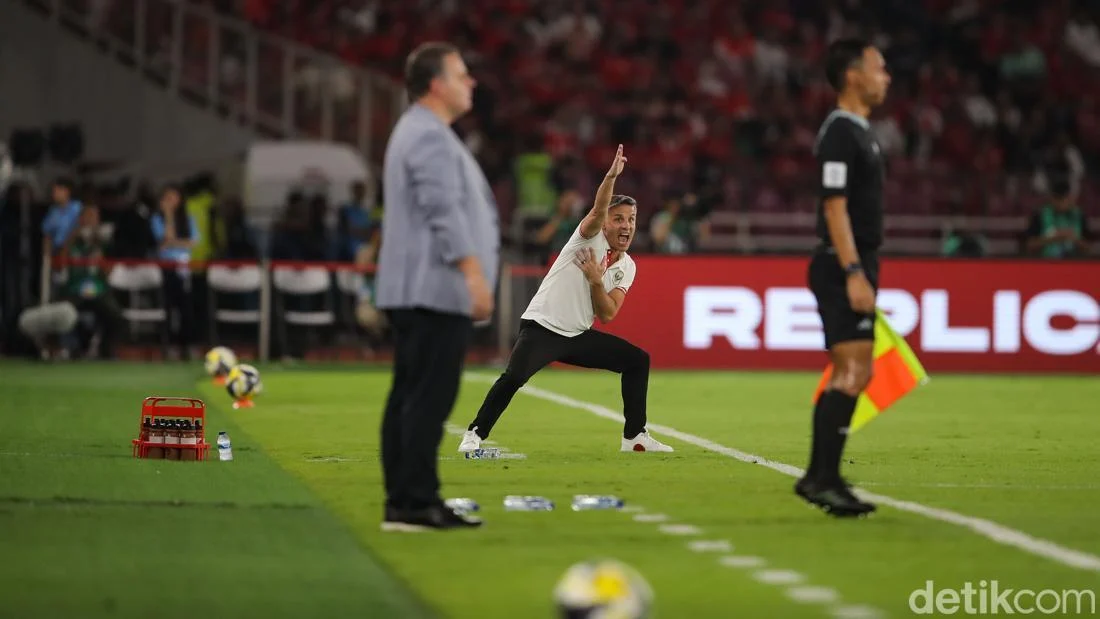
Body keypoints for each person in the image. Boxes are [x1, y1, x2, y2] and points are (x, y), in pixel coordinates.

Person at [458, 145, 673, 454]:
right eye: (618, 219)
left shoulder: (628, 266)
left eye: (631, 219)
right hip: (543, 327)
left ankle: (634, 437)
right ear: (606, 223)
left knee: (637, 361)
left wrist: (596, 281)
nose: (626, 225)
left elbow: (608, 314)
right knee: (514, 378)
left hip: (577, 334)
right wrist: (611, 177)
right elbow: (597, 210)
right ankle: (474, 434)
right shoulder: (589, 237)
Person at [375, 41, 499, 532]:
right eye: (461, 74)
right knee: (427, 397)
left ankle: (406, 500)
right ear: (435, 84)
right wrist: (473, 272)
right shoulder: (428, 135)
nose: (470, 83)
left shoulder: (421, 130)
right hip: (433, 288)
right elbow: (443, 210)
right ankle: (415, 501)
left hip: (419, 287)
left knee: (412, 394)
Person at [797, 38, 891, 518]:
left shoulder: (860, 132)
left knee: (854, 371)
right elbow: (834, 206)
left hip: (853, 260)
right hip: (842, 263)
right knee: (853, 372)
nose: (886, 77)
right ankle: (822, 479)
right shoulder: (840, 132)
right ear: (853, 76)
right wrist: (853, 270)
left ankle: (822, 477)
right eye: (879, 68)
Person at [150, 184, 199, 361]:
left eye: (174, 198)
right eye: (167, 198)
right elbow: (165, 238)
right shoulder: (157, 219)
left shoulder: (188, 219)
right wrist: (169, 216)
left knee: (186, 307)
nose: (171, 201)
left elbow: (192, 242)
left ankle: (188, 344)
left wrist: (171, 243)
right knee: (168, 308)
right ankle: (169, 345)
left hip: (184, 268)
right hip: (166, 268)